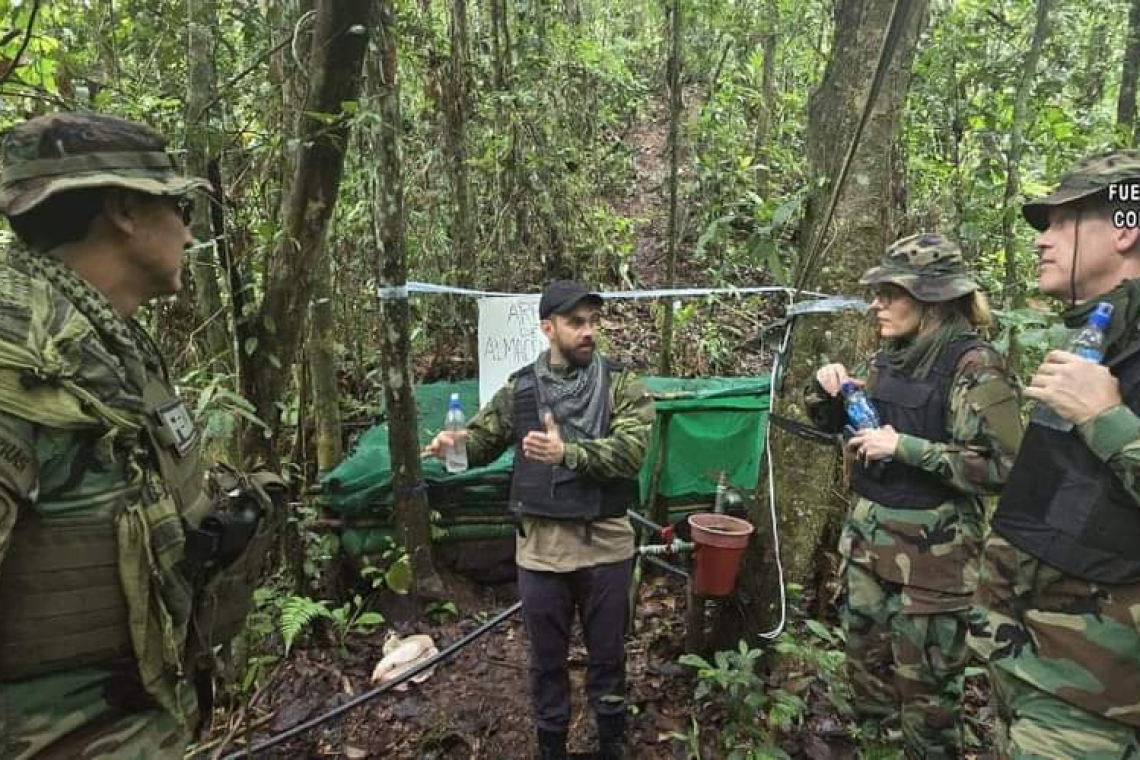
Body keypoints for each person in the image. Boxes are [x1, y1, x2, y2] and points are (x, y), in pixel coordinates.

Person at [0, 113, 282, 758]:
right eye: (177, 206)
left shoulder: (103, 337)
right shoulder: (21, 349)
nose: (186, 229)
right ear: (125, 209)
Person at [806, 233, 1023, 758]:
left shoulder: (976, 367)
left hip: (933, 567)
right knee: (869, 692)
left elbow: (1005, 466)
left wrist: (908, 448)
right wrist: (830, 395)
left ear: (933, 298)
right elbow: (860, 433)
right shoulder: (891, 357)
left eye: (891, 293)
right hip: (867, 554)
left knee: (927, 711)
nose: (877, 305)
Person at [424, 280, 653, 760]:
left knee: (608, 659)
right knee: (546, 663)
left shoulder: (621, 384)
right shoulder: (521, 388)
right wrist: (456, 443)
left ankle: (612, 740)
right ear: (548, 328)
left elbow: (632, 452)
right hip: (542, 551)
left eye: (593, 321)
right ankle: (552, 746)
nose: (588, 331)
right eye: (576, 322)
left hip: (605, 546)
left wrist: (566, 452)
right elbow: (483, 440)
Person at [969, 150, 1140, 758]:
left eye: (1060, 222)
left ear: (1126, 225)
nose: (1042, 240)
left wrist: (1106, 419)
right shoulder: (1099, 333)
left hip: (1098, 693)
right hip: (1033, 657)